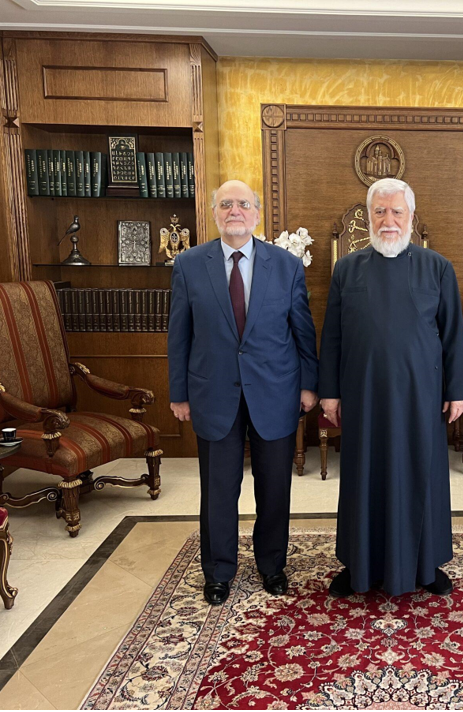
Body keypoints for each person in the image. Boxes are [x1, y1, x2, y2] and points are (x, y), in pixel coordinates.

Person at [168, 180, 318, 605]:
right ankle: (218, 571)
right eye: (226, 204)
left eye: (243, 204)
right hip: (213, 393)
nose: (235, 211)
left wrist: (309, 385)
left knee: (274, 487)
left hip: (276, 392)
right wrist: (179, 393)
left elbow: (303, 332)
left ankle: (272, 566)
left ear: (256, 214)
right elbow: (179, 335)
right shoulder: (189, 264)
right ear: (214, 213)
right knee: (218, 488)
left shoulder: (286, 265)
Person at [318, 177, 463, 597]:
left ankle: (425, 565)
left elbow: (453, 334)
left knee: (421, 475)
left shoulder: (436, 267)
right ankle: (359, 565)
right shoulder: (347, 268)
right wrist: (329, 392)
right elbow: (332, 335)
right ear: (368, 218)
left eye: (396, 212)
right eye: (379, 212)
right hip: (362, 396)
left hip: (420, 398)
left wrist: (457, 390)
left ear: (410, 217)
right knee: (363, 477)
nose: (388, 221)